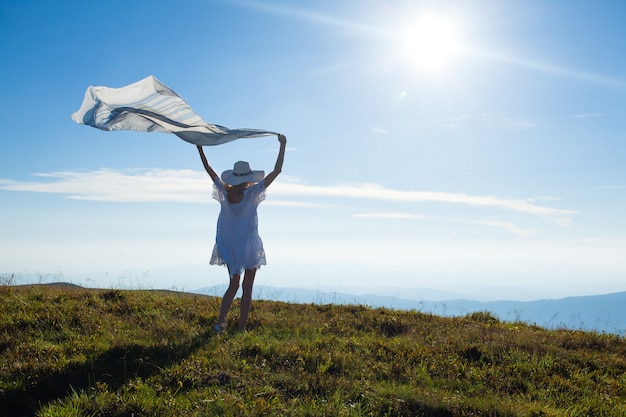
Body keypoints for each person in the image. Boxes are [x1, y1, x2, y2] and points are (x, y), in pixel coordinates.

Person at [197, 134, 287, 332]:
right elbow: (277, 170)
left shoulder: (223, 191)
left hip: (229, 245)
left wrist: (200, 147)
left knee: (233, 284)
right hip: (248, 245)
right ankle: (241, 328)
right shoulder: (253, 193)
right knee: (247, 287)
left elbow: (208, 169)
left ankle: (220, 323)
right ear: (248, 177)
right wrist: (283, 145)